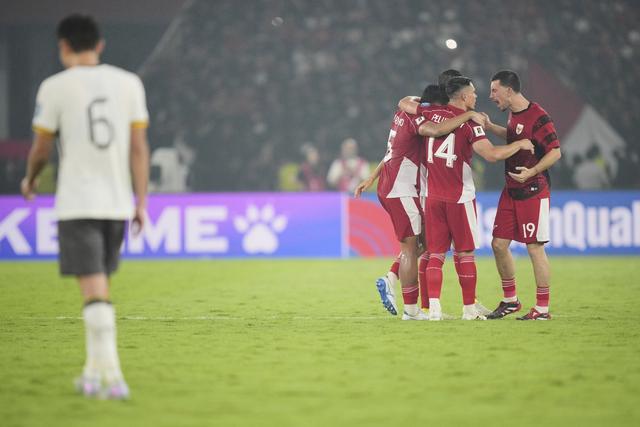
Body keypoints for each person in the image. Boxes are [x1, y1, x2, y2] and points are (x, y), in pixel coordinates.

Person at [21, 14, 150, 398]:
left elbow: (42, 148)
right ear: (100, 45)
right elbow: (139, 148)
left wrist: (31, 178)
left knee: (95, 292)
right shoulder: (129, 83)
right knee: (99, 286)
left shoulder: (54, 87)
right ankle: (92, 375)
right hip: (117, 203)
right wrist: (141, 201)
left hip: (78, 202)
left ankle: (114, 377)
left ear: (63, 46)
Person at [355, 82, 485, 320]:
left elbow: (393, 150)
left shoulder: (406, 109)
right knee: (410, 247)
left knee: (427, 241)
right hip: (401, 189)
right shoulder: (419, 121)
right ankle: (409, 308)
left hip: (390, 183)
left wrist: (372, 177)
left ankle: (396, 281)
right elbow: (436, 130)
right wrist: (468, 115)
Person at [418, 76, 534, 321]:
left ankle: (434, 310)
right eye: (473, 93)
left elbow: (409, 106)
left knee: (436, 254)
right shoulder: (470, 124)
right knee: (465, 253)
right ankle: (469, 308)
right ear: (463, 96)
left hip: (433, 197)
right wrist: (519, 144)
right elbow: (491, 155)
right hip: (459, 198)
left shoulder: (433, 115)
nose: (476, 96)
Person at [482, 70, 562, 320]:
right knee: (498, 244)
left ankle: (542, 309)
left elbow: (555, 151)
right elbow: (514, 136)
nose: (491, 95)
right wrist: (490, 127)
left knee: (534, 248)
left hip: (534, 190)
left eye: (494, 90)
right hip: (511, 189)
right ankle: (511, 300)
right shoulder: (513, 114)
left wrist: (532, 171)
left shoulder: (539, 116)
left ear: (508, 90)